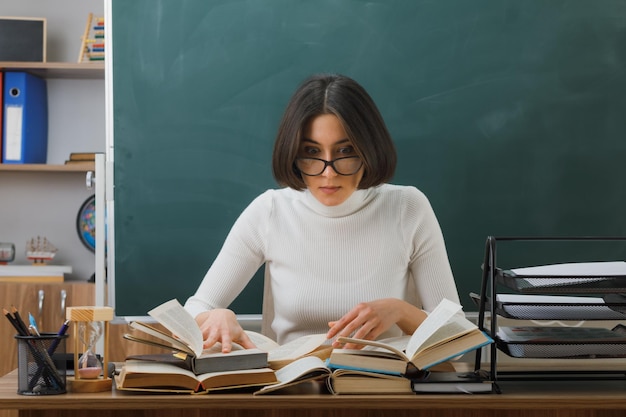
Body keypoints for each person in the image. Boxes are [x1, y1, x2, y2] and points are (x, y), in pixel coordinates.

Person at [184, 73, 461, 352]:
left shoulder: (408, 207)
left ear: (369, 149)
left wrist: (399, 311)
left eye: (345, 151)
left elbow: (458, 331)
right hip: (291, 386)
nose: (328, 173)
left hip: (379, 386)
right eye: (312, 151)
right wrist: (216, 315)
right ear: (293, 155)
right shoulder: (269, 211)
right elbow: (196, 308)